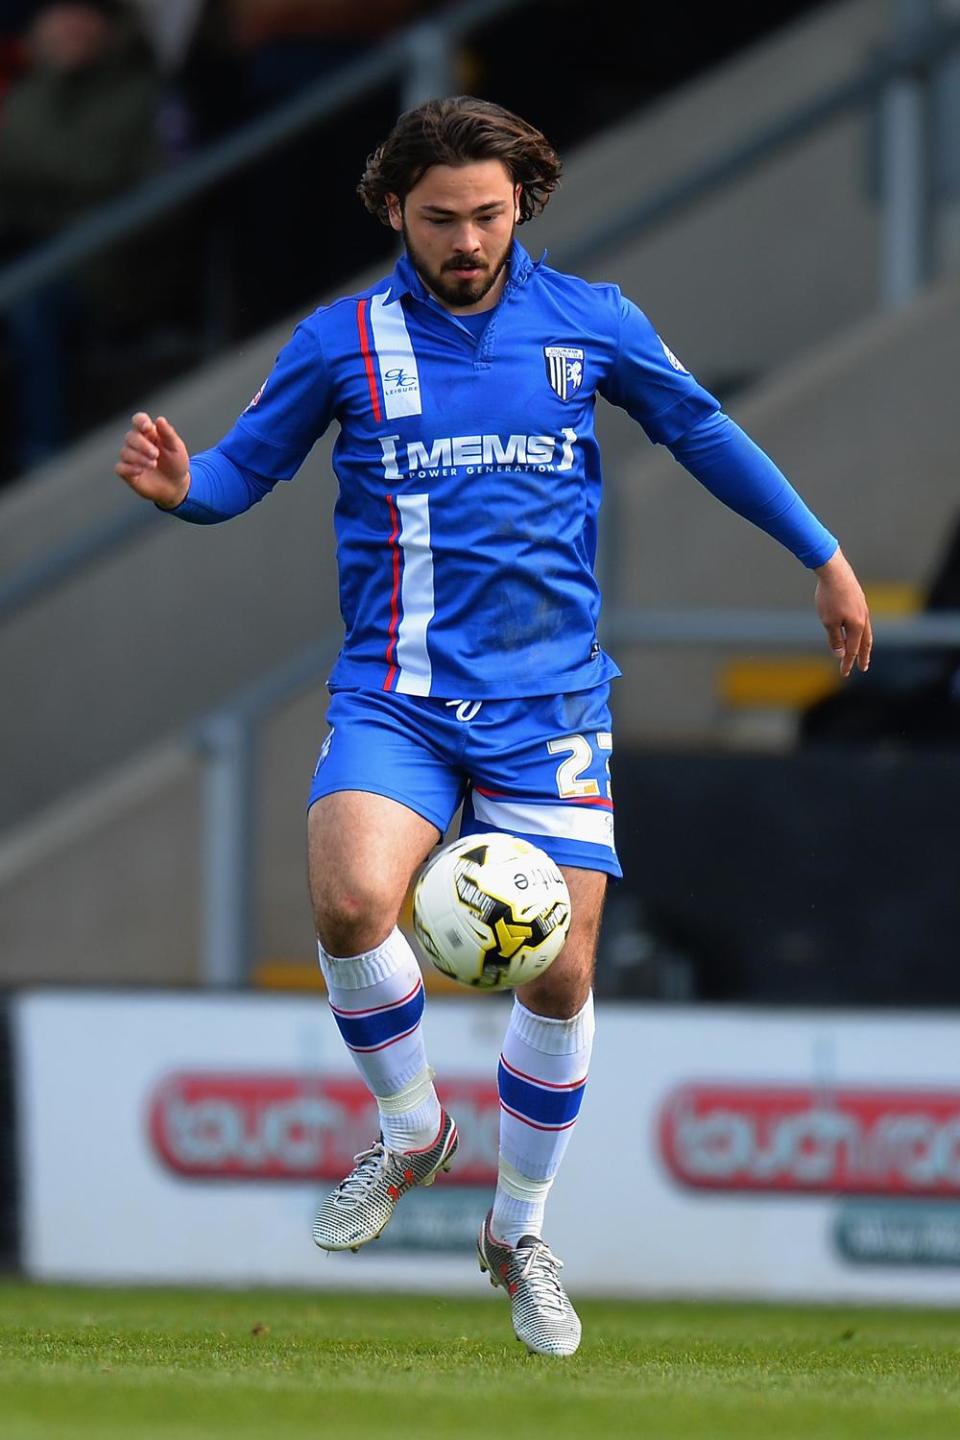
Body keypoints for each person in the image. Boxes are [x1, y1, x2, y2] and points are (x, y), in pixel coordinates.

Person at [114, 96, 872, 1356]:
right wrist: (189, 489)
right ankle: (413, 1130)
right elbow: (248, 468)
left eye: (486, 213)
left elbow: (702, 429)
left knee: (564, 969)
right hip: (398, 695)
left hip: (551, 703)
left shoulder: (593, 322)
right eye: (439, 218)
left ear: (522, 200)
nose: (467, 239)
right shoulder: (341, 340)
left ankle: (519, 1229)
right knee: (354, 903)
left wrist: (825, 552)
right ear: (394, 214)